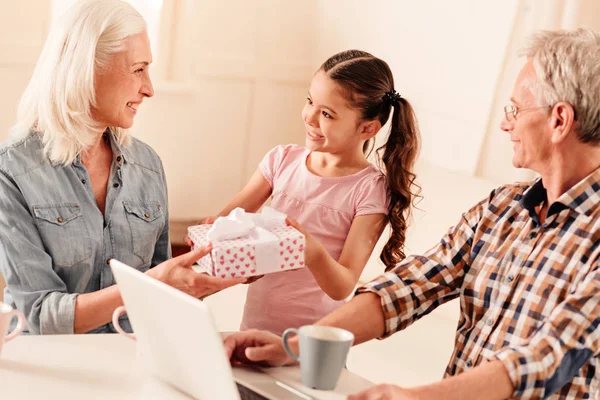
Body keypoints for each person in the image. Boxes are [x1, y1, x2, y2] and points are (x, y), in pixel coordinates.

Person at [222, 28, 600, 399]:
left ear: (559, 120)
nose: (505, 123)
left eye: (514, 109)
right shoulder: (500, 209)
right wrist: (298, 345)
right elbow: (408, 288)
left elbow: (551, 356)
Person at [0, 0, 243, 335]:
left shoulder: (148, 165)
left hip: (134, 359)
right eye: (138, 68)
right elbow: (39, 314)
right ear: (88, 67)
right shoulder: (11, 171)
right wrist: (152, 284)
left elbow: (164, 294)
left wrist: (205, 277)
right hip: (49, 369)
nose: (149, 88)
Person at [187, 50, 421, 335]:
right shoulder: (281, 160)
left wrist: (312, 253)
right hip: (254, 326)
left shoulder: (369, 190)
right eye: (310, 101)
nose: (309, 117)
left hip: (314, 342)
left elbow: (342, 286)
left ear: (368, 128)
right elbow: (227, 222)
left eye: (327, 114)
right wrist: (216, 233)